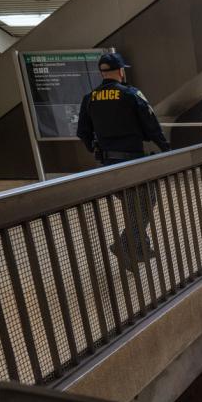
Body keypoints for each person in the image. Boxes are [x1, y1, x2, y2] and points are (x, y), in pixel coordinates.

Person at [76, 52, 170, 268]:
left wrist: (94, 148)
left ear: (102, 73)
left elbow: (83, 132)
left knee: (132, 206)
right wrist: (167, 149)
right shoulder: (131, 94)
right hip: (133, 163)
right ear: (120, 71)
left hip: (108, 165)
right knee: (148, 201)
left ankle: (137, 247)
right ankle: (125, 243)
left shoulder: (89, 98)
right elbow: (151, 125)